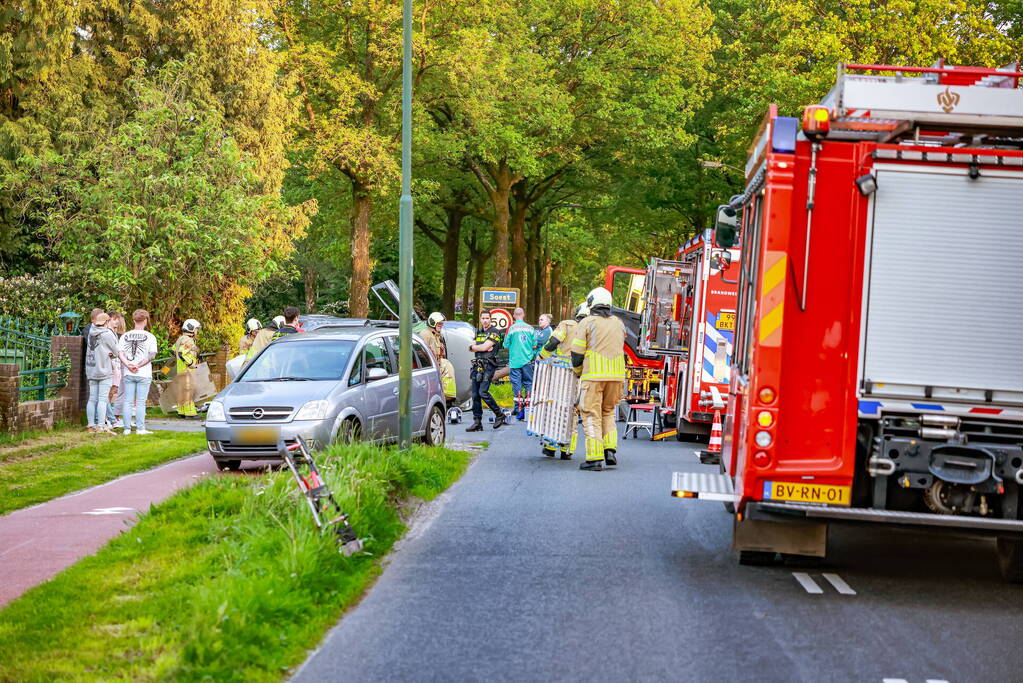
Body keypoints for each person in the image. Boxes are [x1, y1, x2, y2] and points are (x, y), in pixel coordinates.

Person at [571, 287, 626, 471]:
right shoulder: (619, 323)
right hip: (617, 376)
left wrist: (578, 371)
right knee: (608, 411)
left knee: (590, 414)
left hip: (594, 375)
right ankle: (609, 450)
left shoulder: (587, 322)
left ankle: (594, 459)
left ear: (591, 302)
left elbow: (577, 354)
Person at [537, 303, 589, 459]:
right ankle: (567, 450)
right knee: (572, 411)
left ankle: (550, 446)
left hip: (562, 372)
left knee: (555, 408)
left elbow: (552, 343)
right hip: (581, 373)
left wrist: (540, 358)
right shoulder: (592, 329)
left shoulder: (567, 324)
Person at [118, 309, 158, 435]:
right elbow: (152, 355)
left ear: (134, 320)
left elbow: (120, 353)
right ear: (145, 320)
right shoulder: (150, 337)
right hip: (143, 373)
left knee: (128, 401)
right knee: (140, 402)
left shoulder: (125, 336)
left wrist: (128, 365)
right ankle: (140, 428)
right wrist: (139, 365)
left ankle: (126, 429)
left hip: (128, 373)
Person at [466, 310, 505, 432]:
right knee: (475, 395)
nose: (485, 320)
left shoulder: (495, 332)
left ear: (491, 319)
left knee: (483, 392)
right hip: (477, 364)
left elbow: (484, 347)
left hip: (488, 365)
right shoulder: (478, 331)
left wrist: (478, 346)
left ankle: (499, 414)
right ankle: (477, 422)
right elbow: (470, 347)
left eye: (487, 318)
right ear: (480, 319)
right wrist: (479, 346)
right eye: (483, 318)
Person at [85, 312, 119, 433]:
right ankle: (100, 425)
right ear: (106, 322)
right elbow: (116, 352)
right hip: (104, 370)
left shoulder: (91, 333)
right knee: (102, 399)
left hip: (91, 369)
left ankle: (90, 425)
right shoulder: (107, 334)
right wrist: (111, 354)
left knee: (92, 399)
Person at [504, 307, 537, 420]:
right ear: (523, 315)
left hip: (515, 361)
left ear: (514, 316)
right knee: (528, 382)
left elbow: (506, 345)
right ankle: (529, 406)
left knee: (516, 384)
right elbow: (534, 345)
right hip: (527, 360)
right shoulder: (531, 329)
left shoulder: (511, 329)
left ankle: (518, 407)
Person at [419, 312, 457, 401]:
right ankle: (446, 397)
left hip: (437, 365)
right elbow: (422, 353)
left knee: (447, 365)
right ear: (432, 323)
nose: (441, 326)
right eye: (439, 324)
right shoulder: (426, 334)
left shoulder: (436, 335)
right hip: (431, 367)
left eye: (442, 324)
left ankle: (447, 397)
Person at [173, 319, 202, 418]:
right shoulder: (188, 340)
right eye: (196, 329)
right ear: (192, 329)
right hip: (187, 370)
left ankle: (181, 411)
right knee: (189, 391)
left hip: (180, 369)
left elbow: (174, 350)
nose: (197, 331)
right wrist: (190, 363)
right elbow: (182, 353)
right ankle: (190, 413)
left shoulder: (180, 339)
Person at [105, 311, 126, 428]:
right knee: (108, 393)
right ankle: (108, 419)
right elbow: (111, 351)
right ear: (108, 320)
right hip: (111, 366)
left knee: (112, 392)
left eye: (117, 319)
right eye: (114, 319)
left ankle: (109, 418)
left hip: (116, 366)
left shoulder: (113, 332)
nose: (117, 321)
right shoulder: (107, 333)